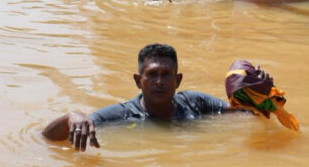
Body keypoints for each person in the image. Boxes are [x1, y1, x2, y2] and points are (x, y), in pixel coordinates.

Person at [42, 44, 239, 151]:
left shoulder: (194, 103)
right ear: (138, 81)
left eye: (166, 74)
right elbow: (45, 138)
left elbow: (242, 113)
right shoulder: (121, 115)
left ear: (177, 80)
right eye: (152, 75)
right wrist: (71, 117)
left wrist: (259, 92)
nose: (159, 82)